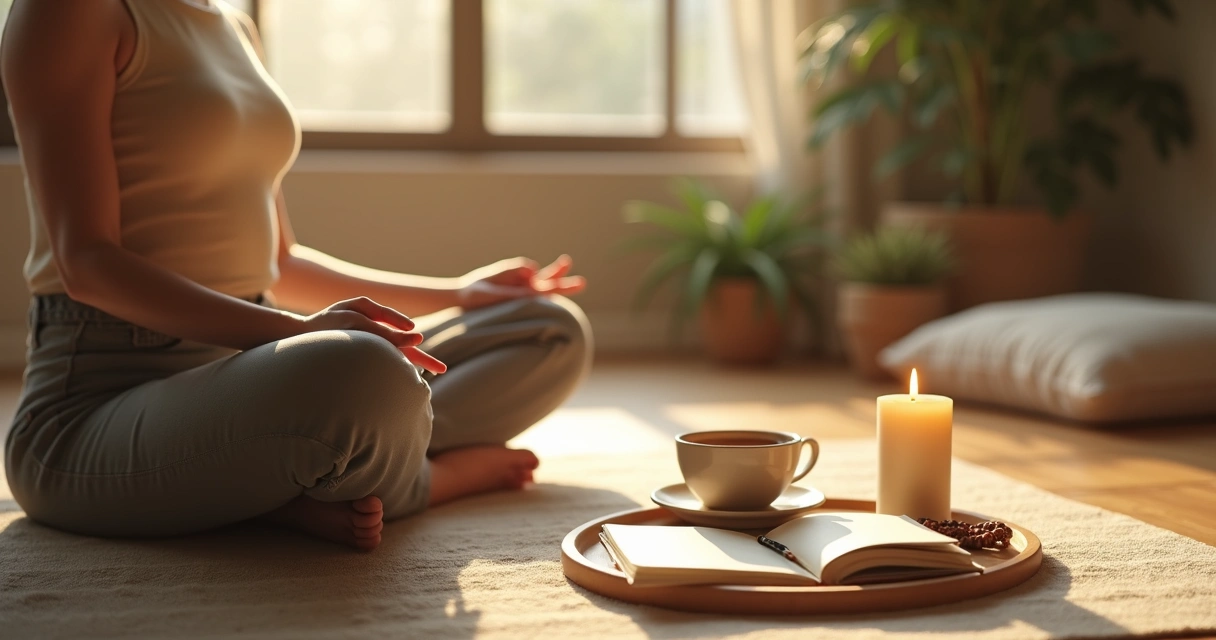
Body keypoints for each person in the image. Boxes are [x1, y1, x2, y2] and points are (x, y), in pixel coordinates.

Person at [0, 0, 591, 550]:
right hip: (101, 400)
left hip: (255, 371)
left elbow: (280, 263)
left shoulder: (233, 26)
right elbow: (87, 265)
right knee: (362, 372)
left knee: (547, 327)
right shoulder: (69, 11)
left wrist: (460, 293)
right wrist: (295, 333)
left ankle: (296, 473)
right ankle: (429, 479)